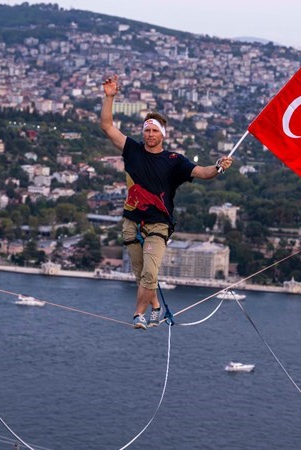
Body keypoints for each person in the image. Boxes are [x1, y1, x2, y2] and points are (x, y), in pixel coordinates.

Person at [100, 74, 233, 329]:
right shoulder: (132, 150)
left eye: (154, 131)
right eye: (146, 130)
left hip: (159, 225)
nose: (150, 134)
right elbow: (107, 126)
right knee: (141, 275)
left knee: (150, 273)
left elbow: (204, 173)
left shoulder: (175, 160)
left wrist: (219, 166)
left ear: (162, 134)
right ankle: (156, 306)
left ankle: (138, 315)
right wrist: (109, 98)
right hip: (132, 221)